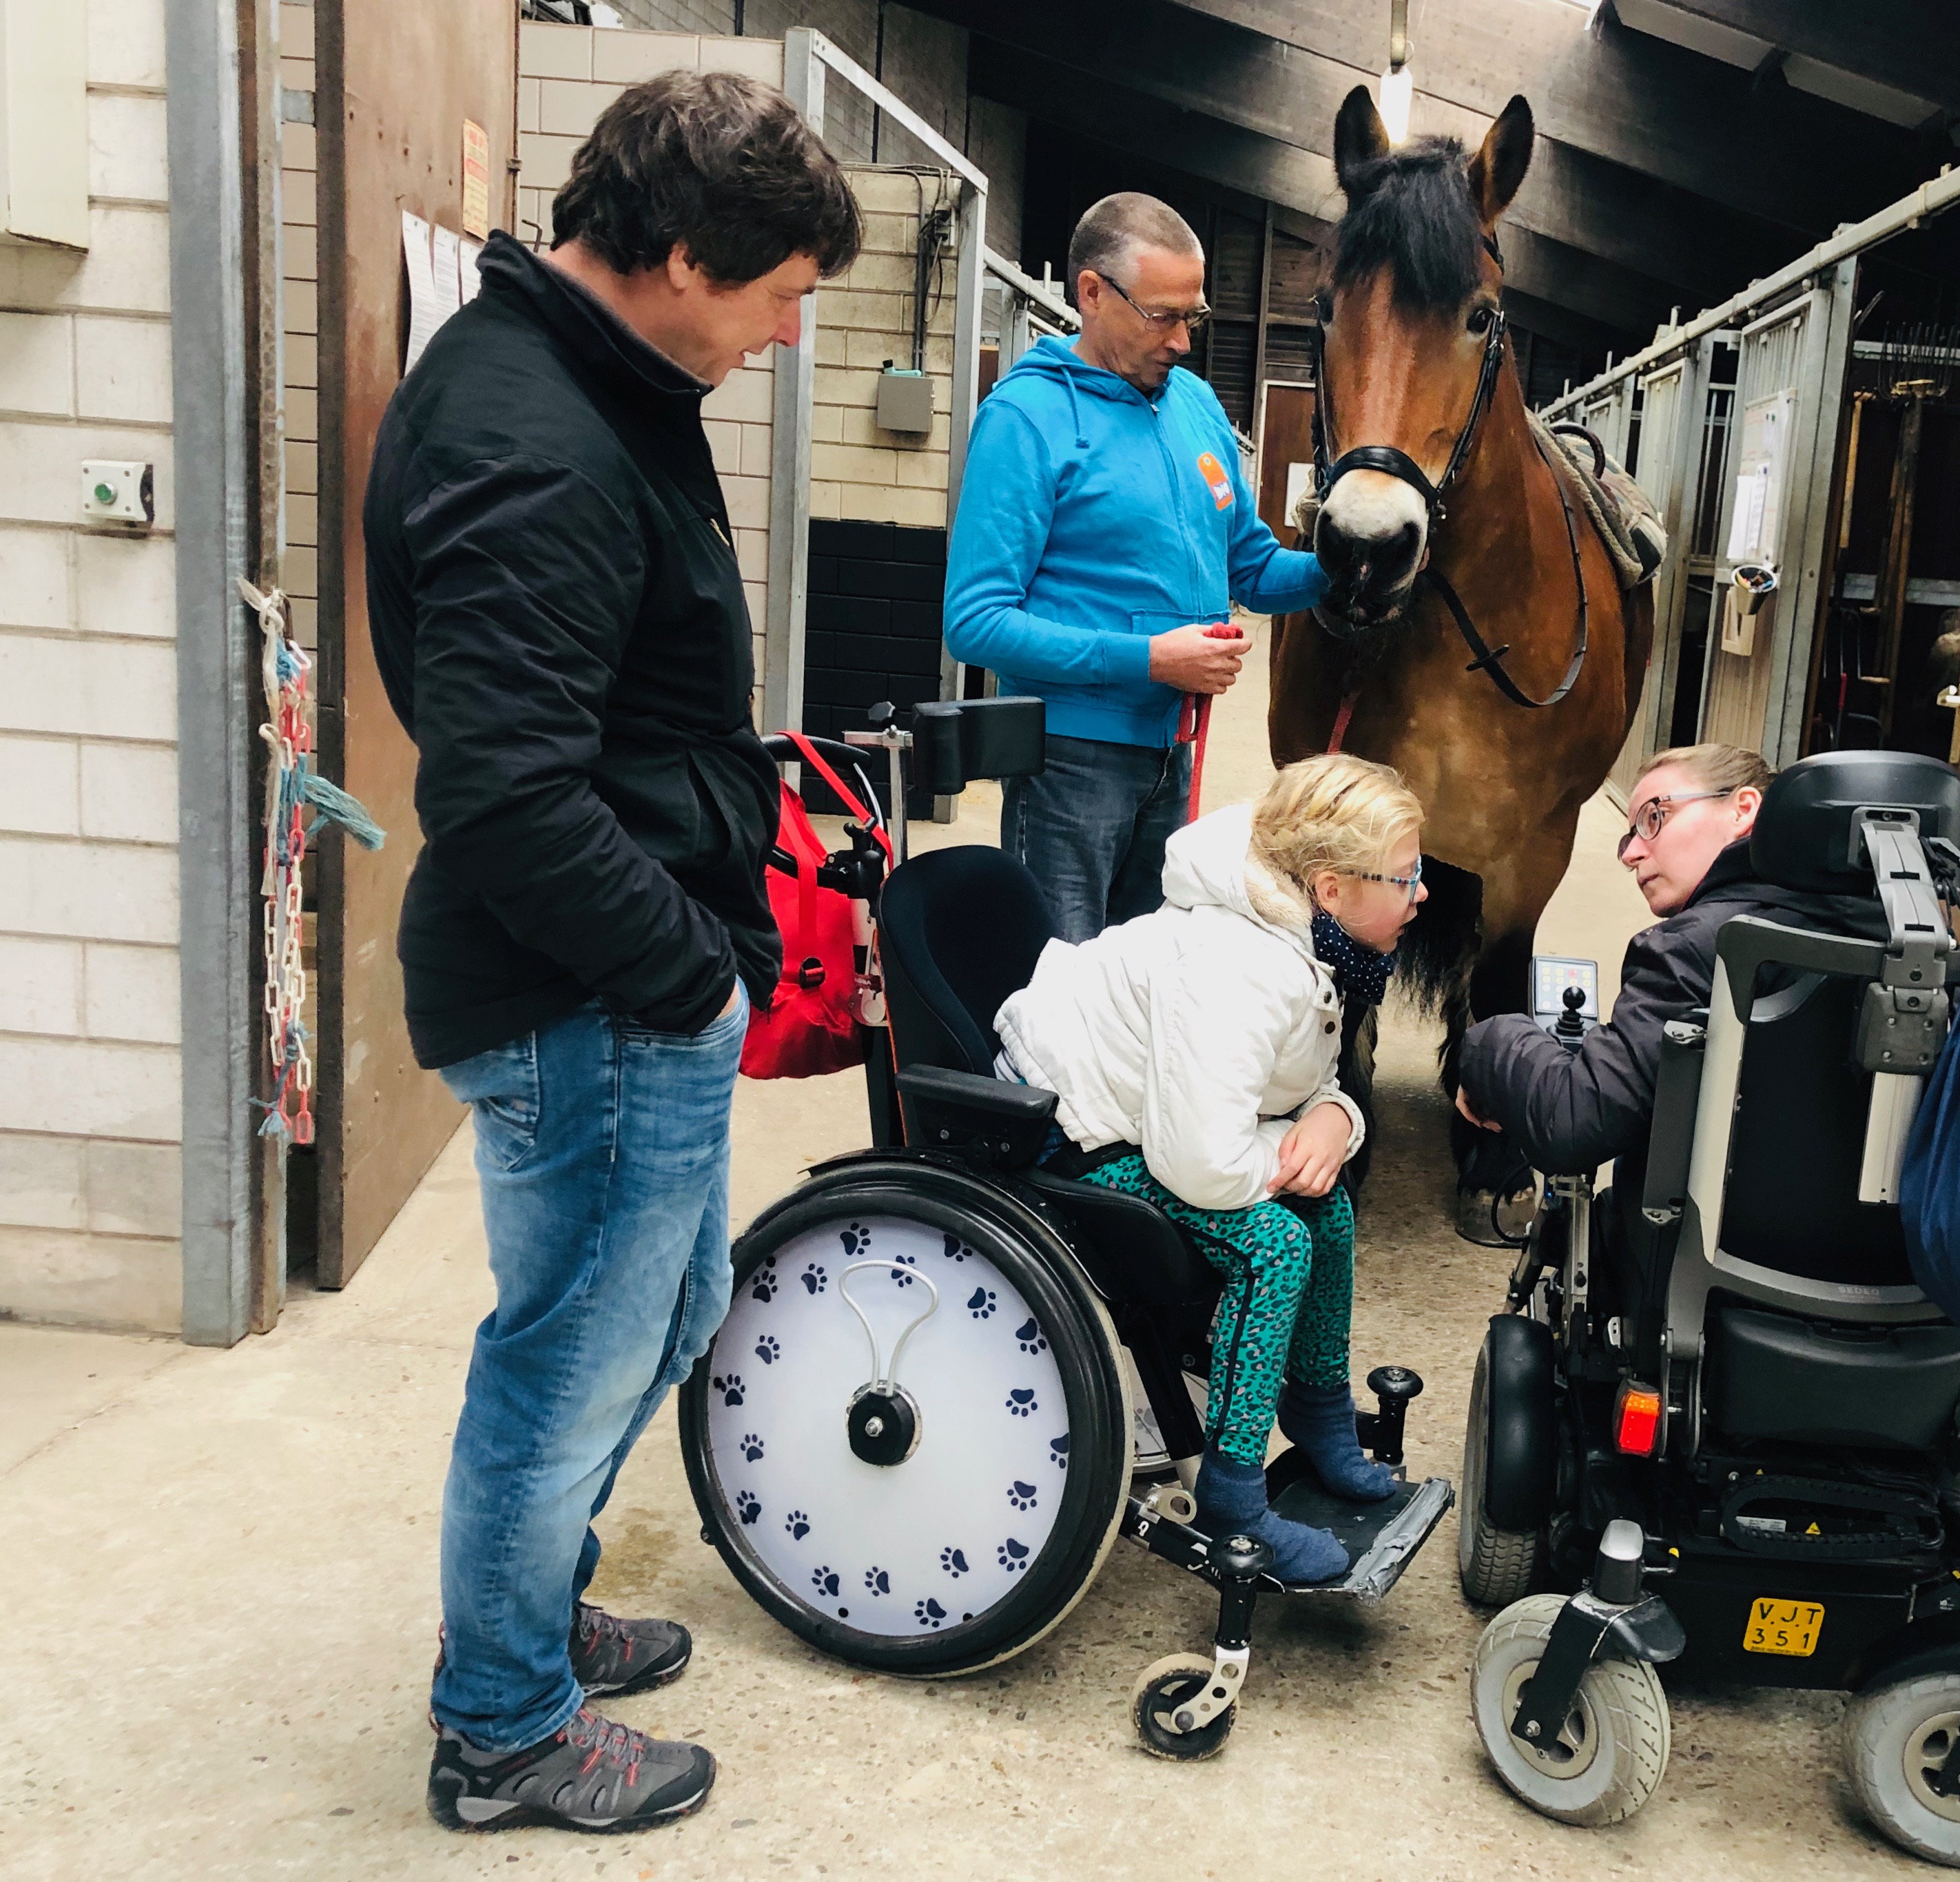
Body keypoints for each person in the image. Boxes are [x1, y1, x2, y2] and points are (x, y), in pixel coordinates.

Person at [363, 72, 860, 1836]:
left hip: (622, 981)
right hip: (587, 996)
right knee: (570, 1356)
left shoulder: (597, 375)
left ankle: (529, 1616)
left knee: (653, 1324)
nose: (791, 335)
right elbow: (503, 796)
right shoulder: (532, 434)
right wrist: (693, 983)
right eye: (780, 294)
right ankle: (502, 1724)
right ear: (679, 255)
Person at [992, 754, 1427, 1580]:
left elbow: (1297, 1080)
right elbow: (1205, 1166)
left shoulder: (1303, 933)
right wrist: (1301, 1147)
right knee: (1275, 1245)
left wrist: (1335, 1119)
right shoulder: (1241, 966)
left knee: (1327, 1205)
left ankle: (1319, 1411)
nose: (1422, 892)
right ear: (1331, 887)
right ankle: (1233, 1495)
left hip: (1158, 1124)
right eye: (1404, 876)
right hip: (1069, 1135)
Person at [945, 192, 1329, 943]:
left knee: (1144, 982)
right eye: (1162, 316)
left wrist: (1341, 568)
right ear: (1092, 293)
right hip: (1068, 766)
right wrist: (1151, 660)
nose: (1182, 341)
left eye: (1194, 316)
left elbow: (1253, 568)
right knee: (1062, 983)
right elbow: (976, 622)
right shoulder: (1027, 417)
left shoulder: (1195, 406)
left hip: (1172, 757)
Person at [1454, 744, 1885, 1174]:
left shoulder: (1689, 949)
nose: (1630, 855)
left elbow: (1572, 1121)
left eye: (1654, 818)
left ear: (1742, 810)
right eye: (1630, 837)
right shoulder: (1895, 939)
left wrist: (1488, 1044)